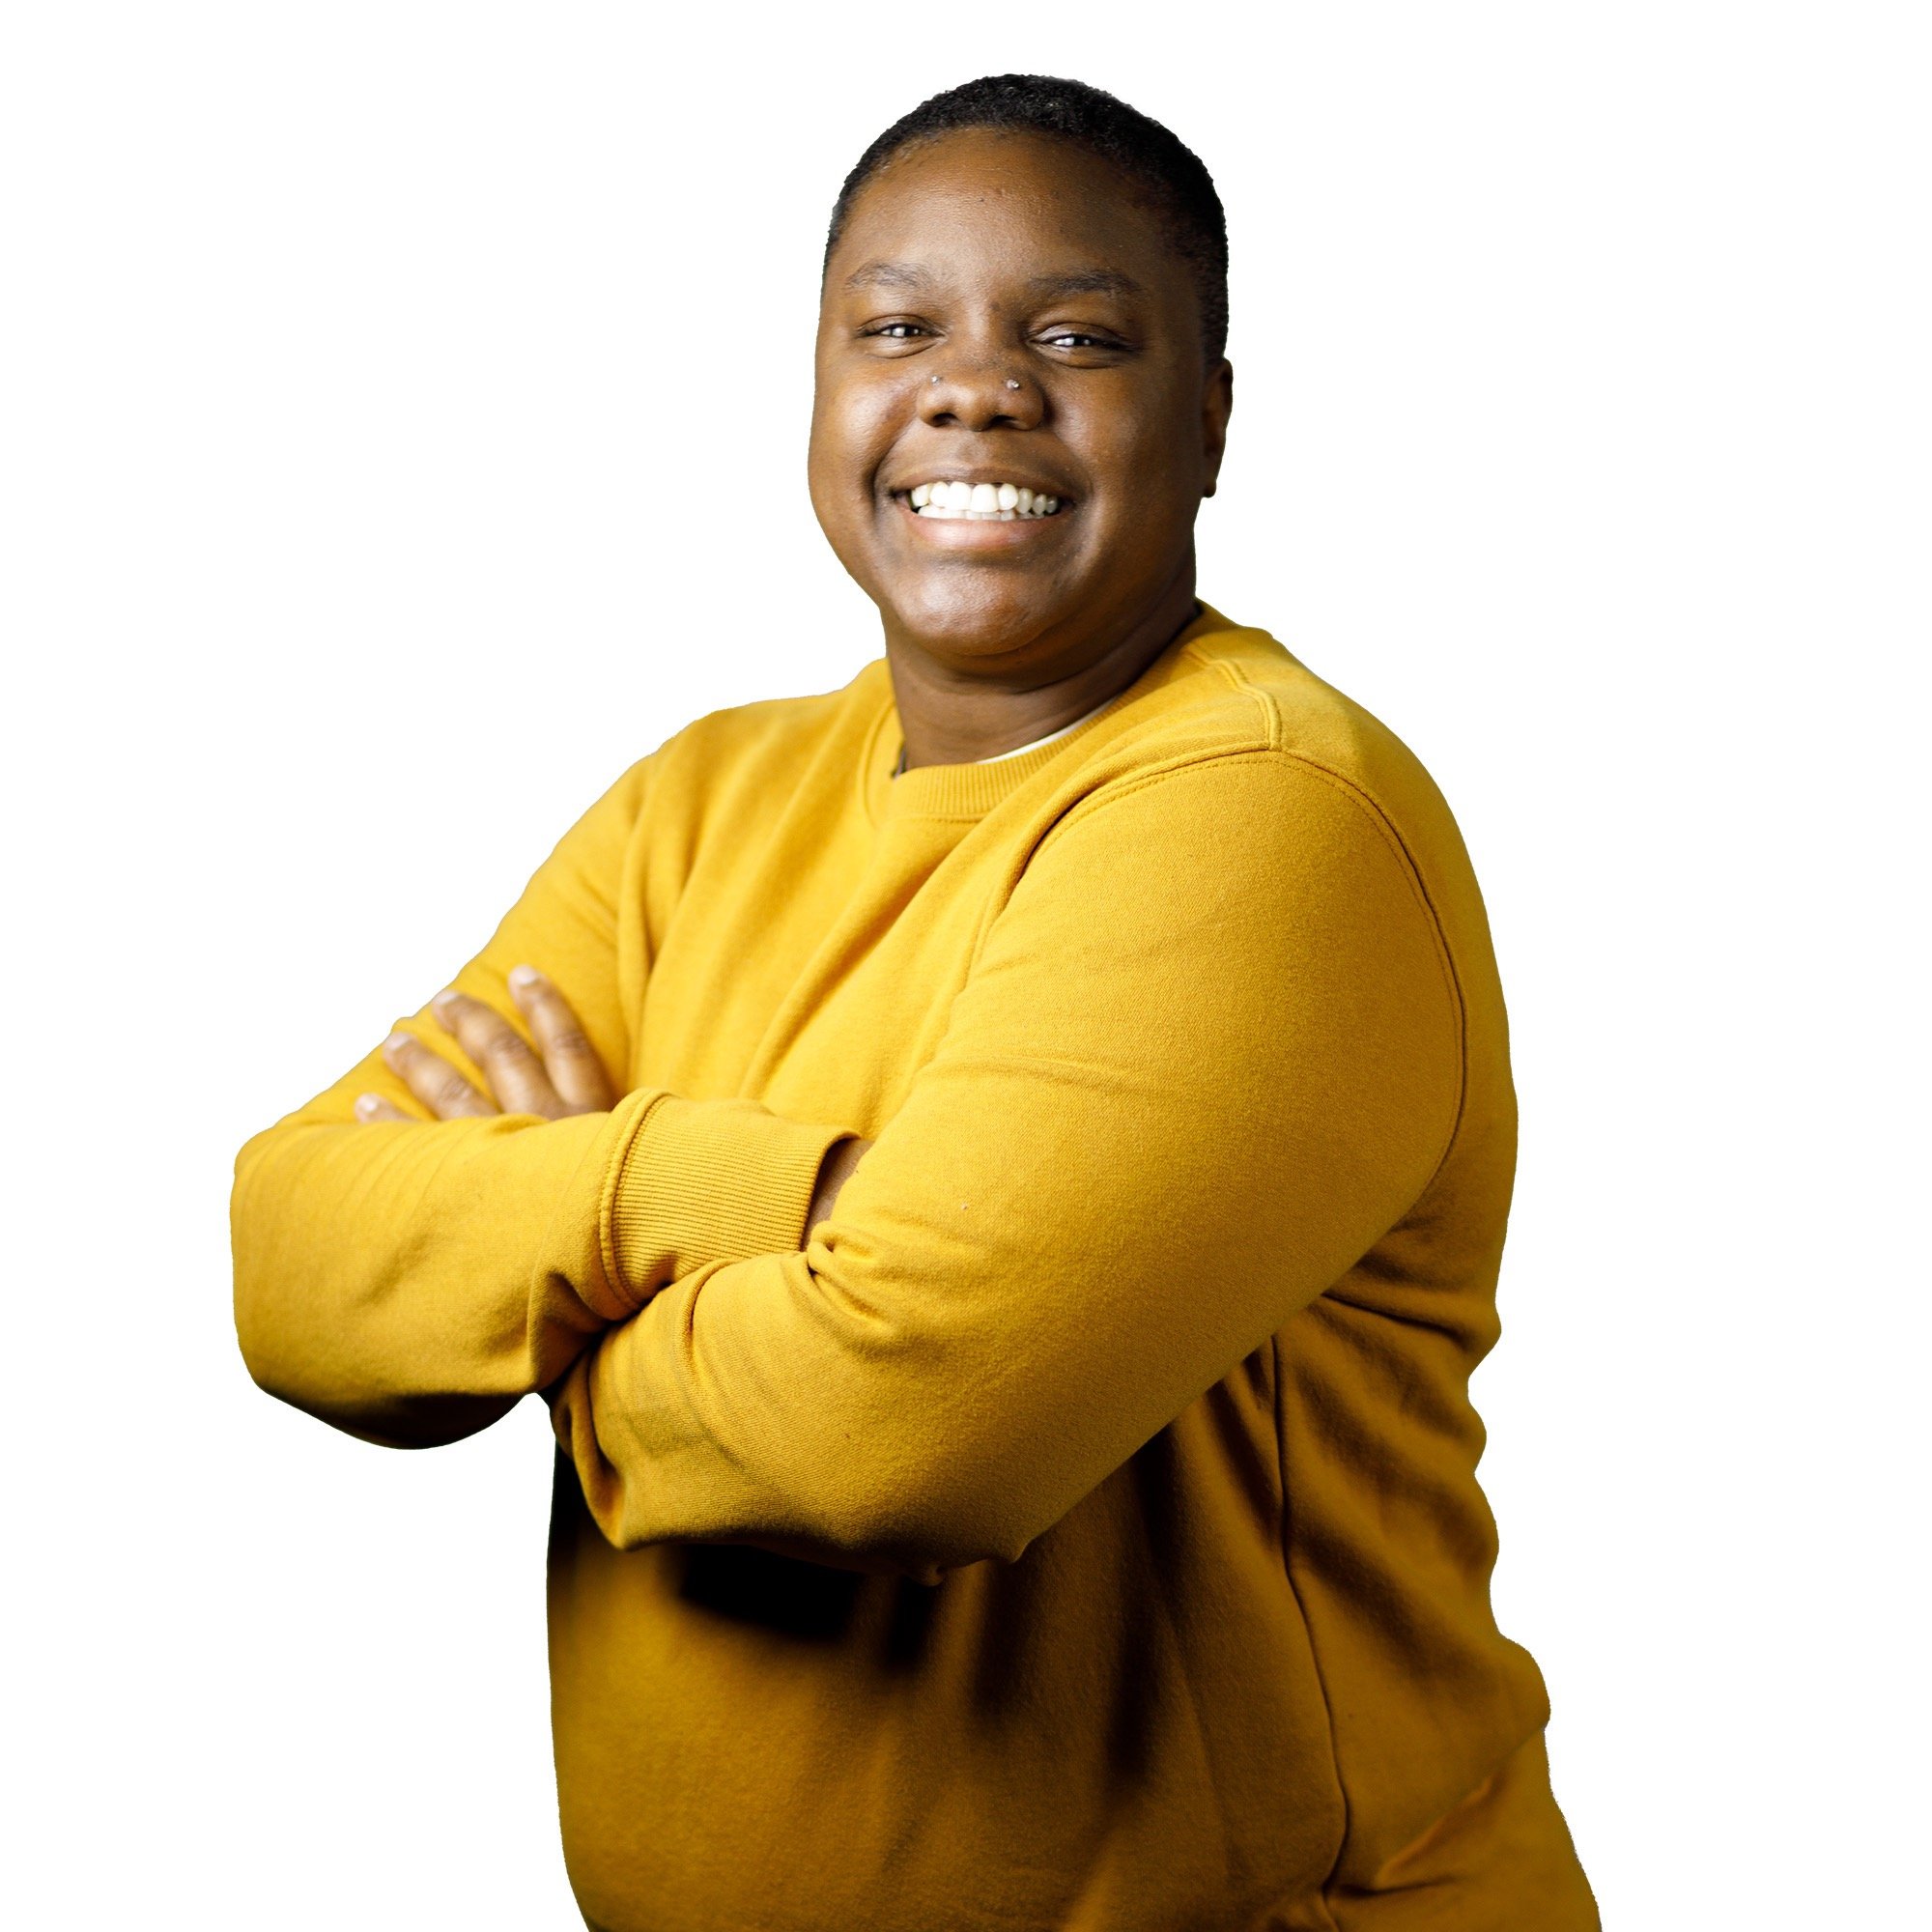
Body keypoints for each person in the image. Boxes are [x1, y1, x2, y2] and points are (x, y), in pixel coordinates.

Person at [232, 72, 1599, 1932]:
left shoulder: (1266, 814)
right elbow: (293, 1255)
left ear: (1208, 421)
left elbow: (896, 1440)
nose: (978, 386)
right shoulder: (698, 802)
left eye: (1078, 335)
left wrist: (516, 1295)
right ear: (819, 390)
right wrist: (702, 1206)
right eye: (898, 327)